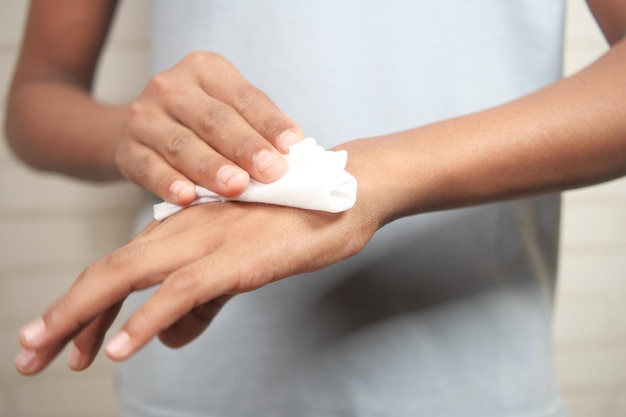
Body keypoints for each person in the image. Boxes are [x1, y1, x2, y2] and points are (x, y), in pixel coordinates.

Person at [5, 0, 626, 416]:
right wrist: (130, 138)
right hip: (198, 376)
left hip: (469, 376)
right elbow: (37, 94)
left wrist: (364, 179)